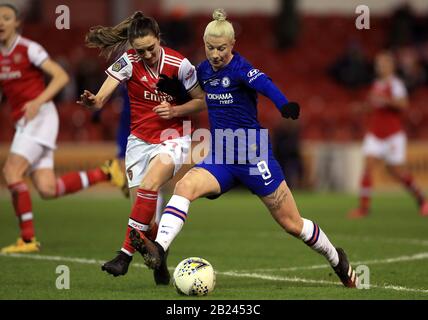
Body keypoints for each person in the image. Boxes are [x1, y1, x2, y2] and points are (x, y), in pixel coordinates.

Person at [129, 9, 359, 288]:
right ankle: (160, 249)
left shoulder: (241, 69)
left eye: (221, 49)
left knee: (291, 223)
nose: (215, 54)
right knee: (184, 187)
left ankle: (337, 259)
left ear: (232, 45)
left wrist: (283, 103)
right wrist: (175, 92)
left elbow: (266, 84)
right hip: (222, 157)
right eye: (210, 48)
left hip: (254, 155)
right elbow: (196, 93)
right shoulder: (203, 71)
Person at [79, 11, 206, 285]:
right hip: (139, 141)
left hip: (173, 137)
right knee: (146, 221)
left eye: (151, 48)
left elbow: (200, 101)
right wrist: (94, 101)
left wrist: (175, 110)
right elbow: (102, 97)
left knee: (149, 187)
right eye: (140, 50)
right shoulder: (128, 61)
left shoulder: (179, 64)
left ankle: (123, 256)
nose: (146, 54)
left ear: (159, 38)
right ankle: (160, 261)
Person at [0, 4, 125, 254]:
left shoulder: (29, 48)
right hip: (25, 122)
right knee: (47, 189)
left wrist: (37, 101)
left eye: (6, 18)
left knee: (12, 171)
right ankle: (106, 173)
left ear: (17, 23)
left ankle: (27, 239)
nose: (1, 22)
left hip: (40, 117)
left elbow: (61, 77)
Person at [348, 51, 428, 218]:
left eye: (383, 63)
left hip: (393, 135)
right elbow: (374, 106)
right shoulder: (376, 84)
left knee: (397, 171)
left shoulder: (396, 84)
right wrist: (362, 108)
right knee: (368, 166)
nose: (380, 66)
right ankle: (363, 208)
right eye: (378, 63)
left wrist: (386, 99)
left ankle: (421, 199)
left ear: (391, 66)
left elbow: (403, 105)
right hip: (375, 133)